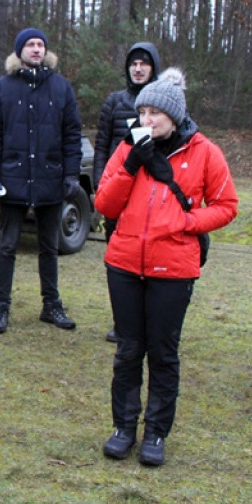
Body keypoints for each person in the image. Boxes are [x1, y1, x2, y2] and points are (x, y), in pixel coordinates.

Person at [95, 68, 238, 466]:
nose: (147, 120)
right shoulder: (129, 149)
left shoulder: (204, 151)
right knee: (127, 351)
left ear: (174, 116)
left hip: (173, 269)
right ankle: (123, 427)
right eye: (143, 113)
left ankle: (155, 432)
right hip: (123, 264)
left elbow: (227, 206)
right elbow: (104, 205)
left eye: (156, 113)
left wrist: (188, 224)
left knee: (162, 353)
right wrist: (129, 166)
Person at [0, 28, 82, 334]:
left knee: (49, 247)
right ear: (19, 51)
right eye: (30, 44)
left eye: (41, 44)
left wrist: (71, 174)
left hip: (50, 179)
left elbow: (72, 134)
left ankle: (51, 305)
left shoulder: (61, 88)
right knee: (7, 246)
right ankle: (1, 308)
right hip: (12, 180)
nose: (36, 49)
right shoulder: (2, 88)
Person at [93, 42, 161, 343]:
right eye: (133, 63)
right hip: (118, 190)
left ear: (153, 67)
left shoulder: (164, 106)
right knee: (118, 260)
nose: (138, 68)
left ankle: (149, 320)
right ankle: (122, 322)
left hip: (150, 196)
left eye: (144, 63)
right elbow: (101, 145)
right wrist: (99, 182)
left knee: (149, 258)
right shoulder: (114, 101)